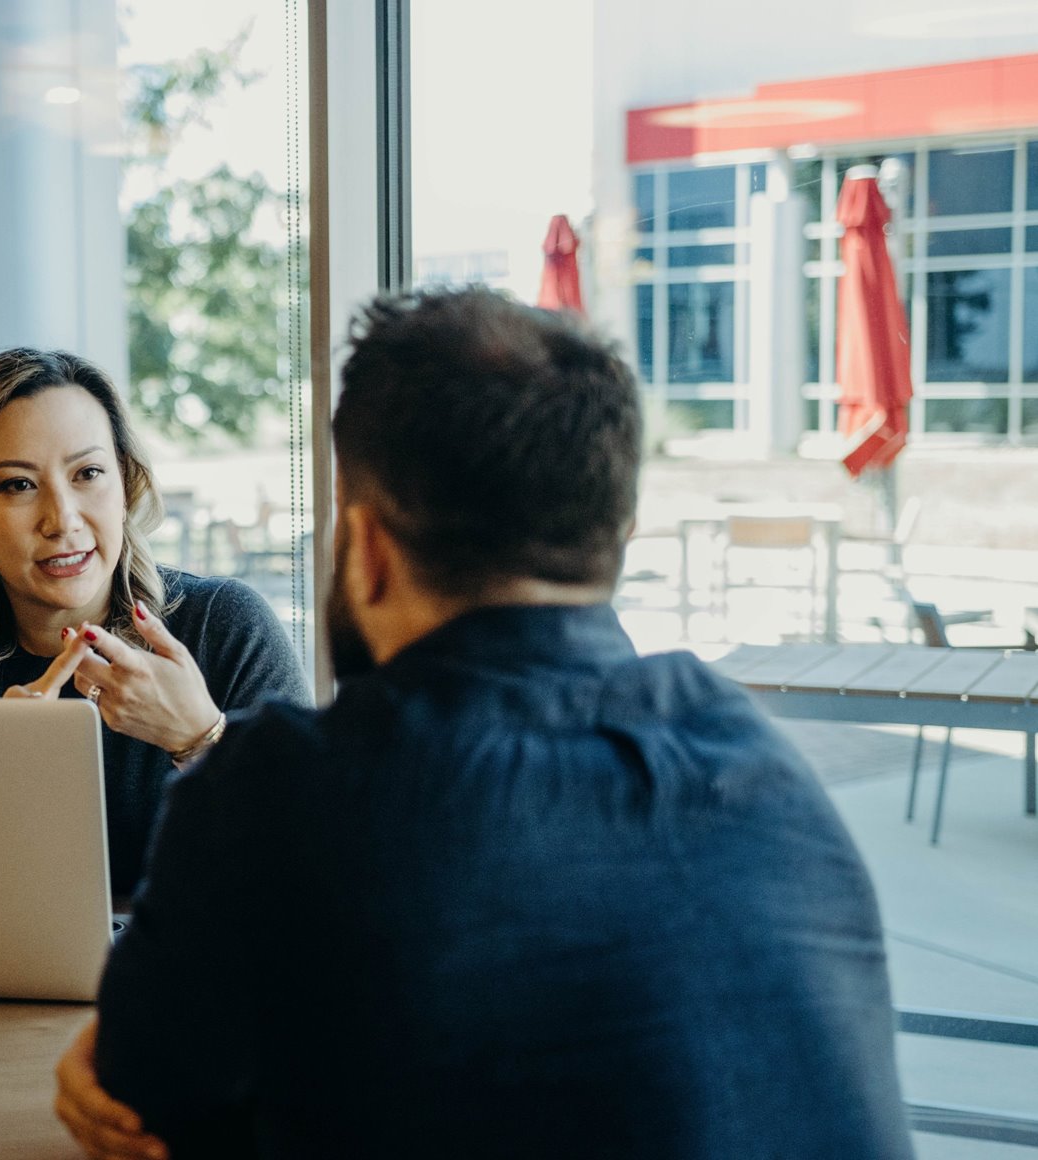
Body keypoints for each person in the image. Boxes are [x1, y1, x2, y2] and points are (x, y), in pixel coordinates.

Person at [54, 288, 913, 1158]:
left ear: (371, 549)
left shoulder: (285, 791)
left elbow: (138, 1108)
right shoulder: (768, 767)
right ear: (617, 536)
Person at [0, 347, 310, 900]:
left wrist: (199, 737)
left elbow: (317, 863)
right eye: (18, 485)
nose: (63, 520)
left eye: (88, 474)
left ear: (124, 487)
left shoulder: (225, 625)